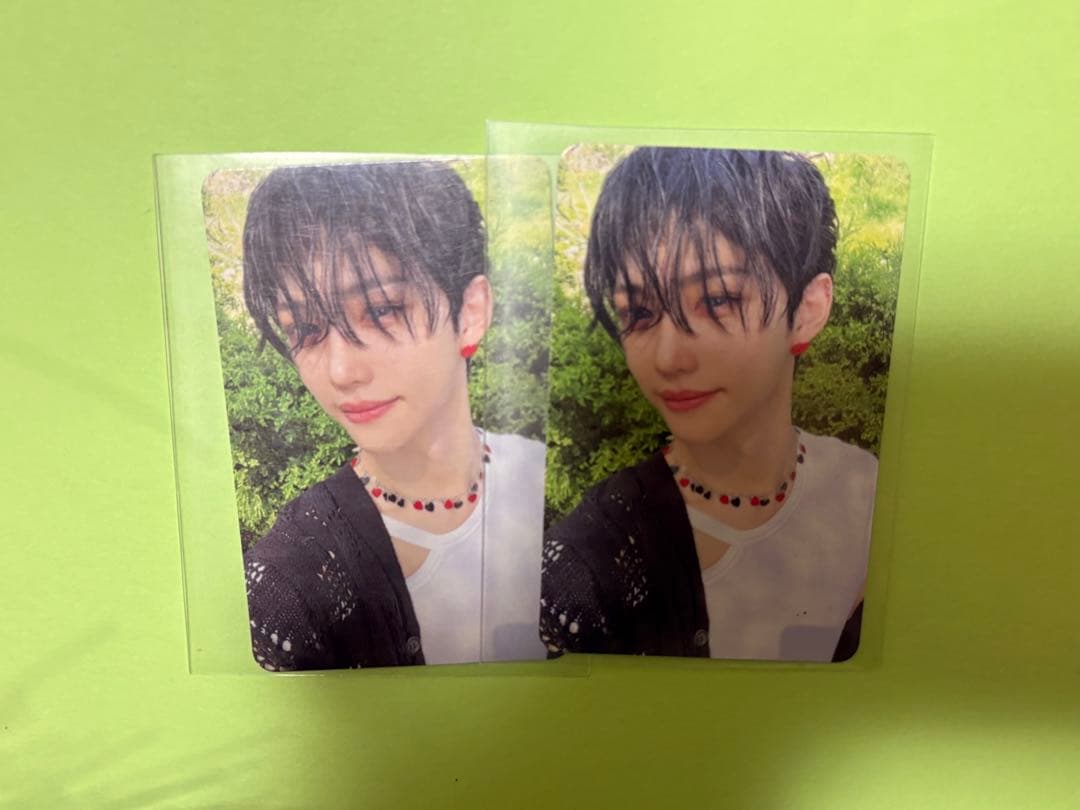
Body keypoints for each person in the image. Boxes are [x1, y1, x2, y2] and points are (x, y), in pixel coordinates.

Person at [540, 147, 877, 663]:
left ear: (808, 310)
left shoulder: (866, 487)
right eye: (639, 312)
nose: (668, 358)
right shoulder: (590, 564)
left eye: (718, 300)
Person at [238, 160, 546, 670]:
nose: (341, 371)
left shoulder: (549, 484)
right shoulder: (289, 584)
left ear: (470, 312)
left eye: (382, 310)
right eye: (306, 329)